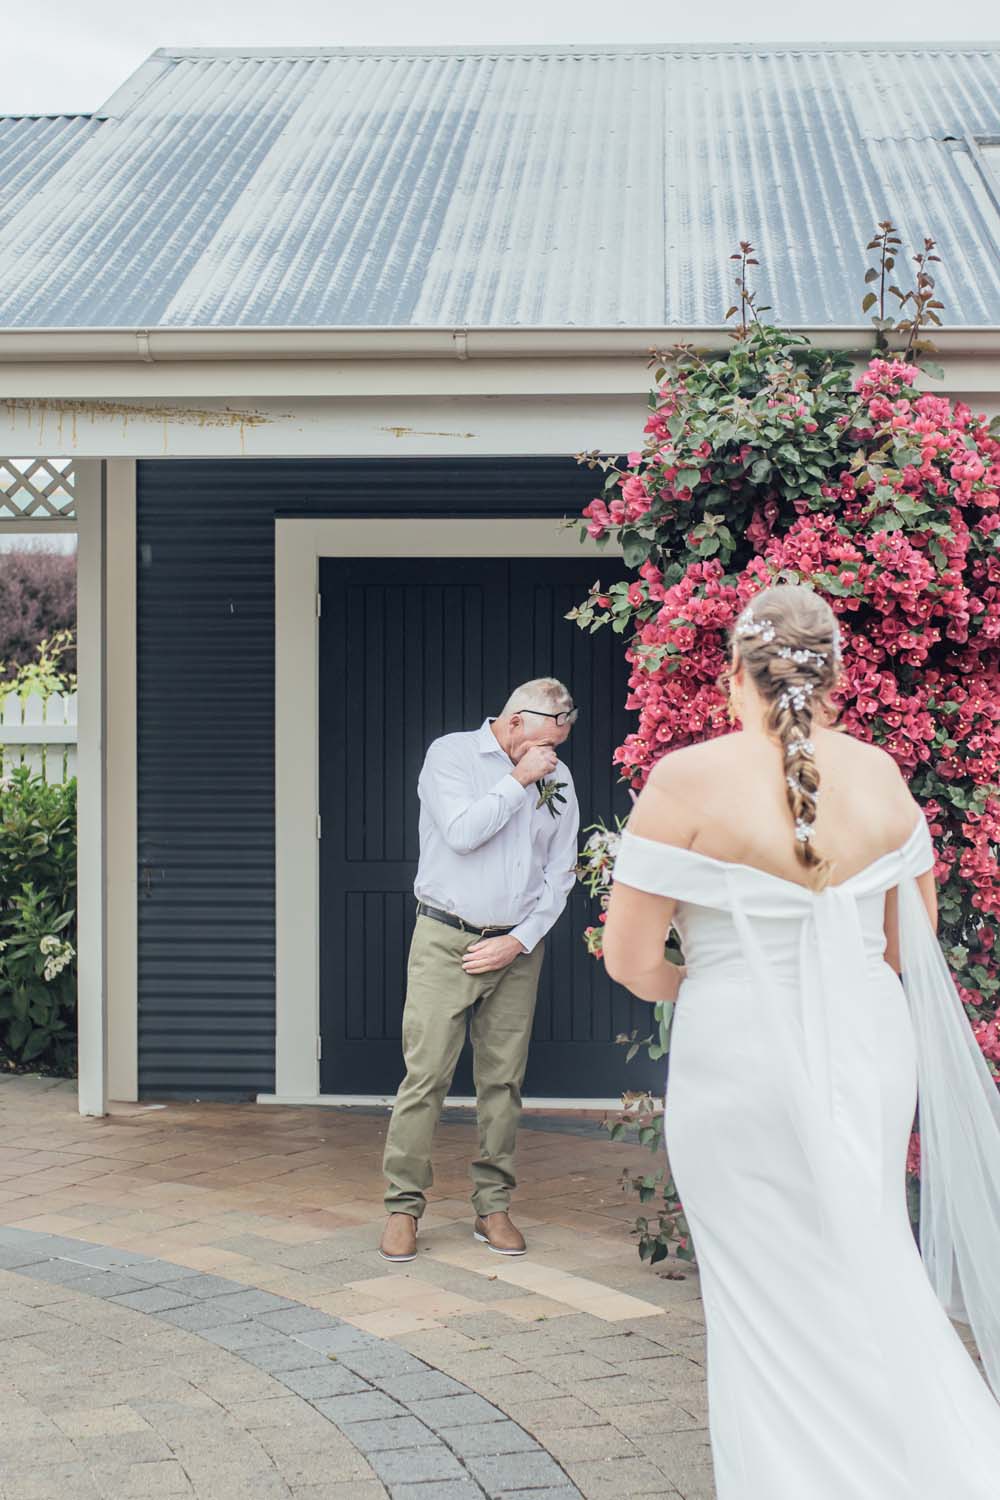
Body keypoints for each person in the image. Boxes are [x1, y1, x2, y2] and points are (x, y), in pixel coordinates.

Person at [603, 583, 1000, 1498]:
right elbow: (907, 949)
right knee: (860, 1258)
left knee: (763, 1295)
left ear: (732, 676)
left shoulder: (684, 779)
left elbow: (630, 958)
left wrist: (712, 987)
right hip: (867, 1044)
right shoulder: (881, 776)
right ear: (839, 677)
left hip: (738, 1054)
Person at [379, 678, 581, 1264]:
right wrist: (518, 781)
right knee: (426, 1078)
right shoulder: (451, 755)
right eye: (545, 743)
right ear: (515, 723)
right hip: (446, 939)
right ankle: (402, 1207)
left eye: (560, 746)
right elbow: (463, 834)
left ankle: (492, 1206)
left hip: (516, 949)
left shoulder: (558, 777)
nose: (553, 757)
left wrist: (519, 940)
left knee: (503, 1083)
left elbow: (560, 871)